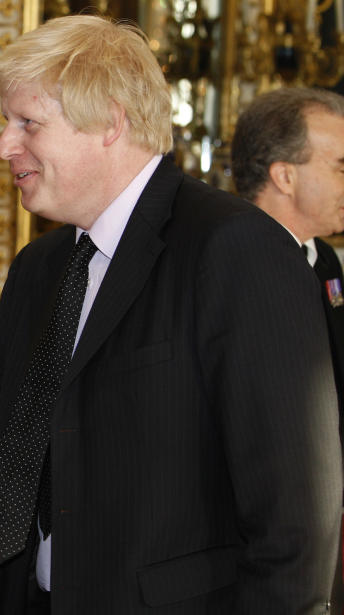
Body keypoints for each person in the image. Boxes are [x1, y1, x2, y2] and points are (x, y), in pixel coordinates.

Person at [0, 15, 344, 614]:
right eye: (6, 123)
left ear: (109, 122)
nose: (4, 146)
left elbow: (295, 511)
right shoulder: (42, 267)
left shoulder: (236, 249)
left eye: (28, 123)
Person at [230, 85, 344, 614]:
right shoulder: (224, 265)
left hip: (320, 524)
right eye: (341, 165)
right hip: (248, 544)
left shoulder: (324, 262)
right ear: (284, 175)